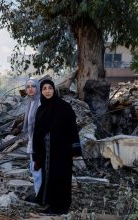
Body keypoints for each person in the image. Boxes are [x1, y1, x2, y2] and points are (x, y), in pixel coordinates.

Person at [32, 79, 82, 214]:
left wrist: (75, 148)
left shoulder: (64, 107)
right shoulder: (41, 109)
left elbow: (72, 129)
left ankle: (61, 207)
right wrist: (35, 154)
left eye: (50, 88)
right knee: (48, 176)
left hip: (62, 152)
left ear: (54, 90)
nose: (47, 91)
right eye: (44, 89)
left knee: (61, 177)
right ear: (41, 91)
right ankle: (50, 203)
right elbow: (36, 133)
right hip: (46, 152)